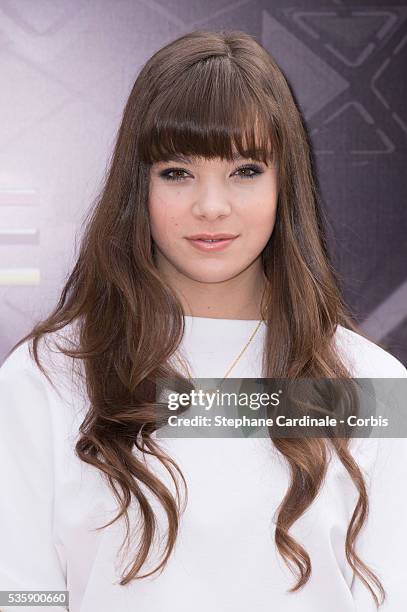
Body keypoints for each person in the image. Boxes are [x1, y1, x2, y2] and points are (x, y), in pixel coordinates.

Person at [0, 29, 406, 612]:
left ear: (284, 183)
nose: (211, 206)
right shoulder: (47, 378)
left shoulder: (372, 385)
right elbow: (22, 593)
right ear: (136, 185)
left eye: (244, 170)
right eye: (177, 172)